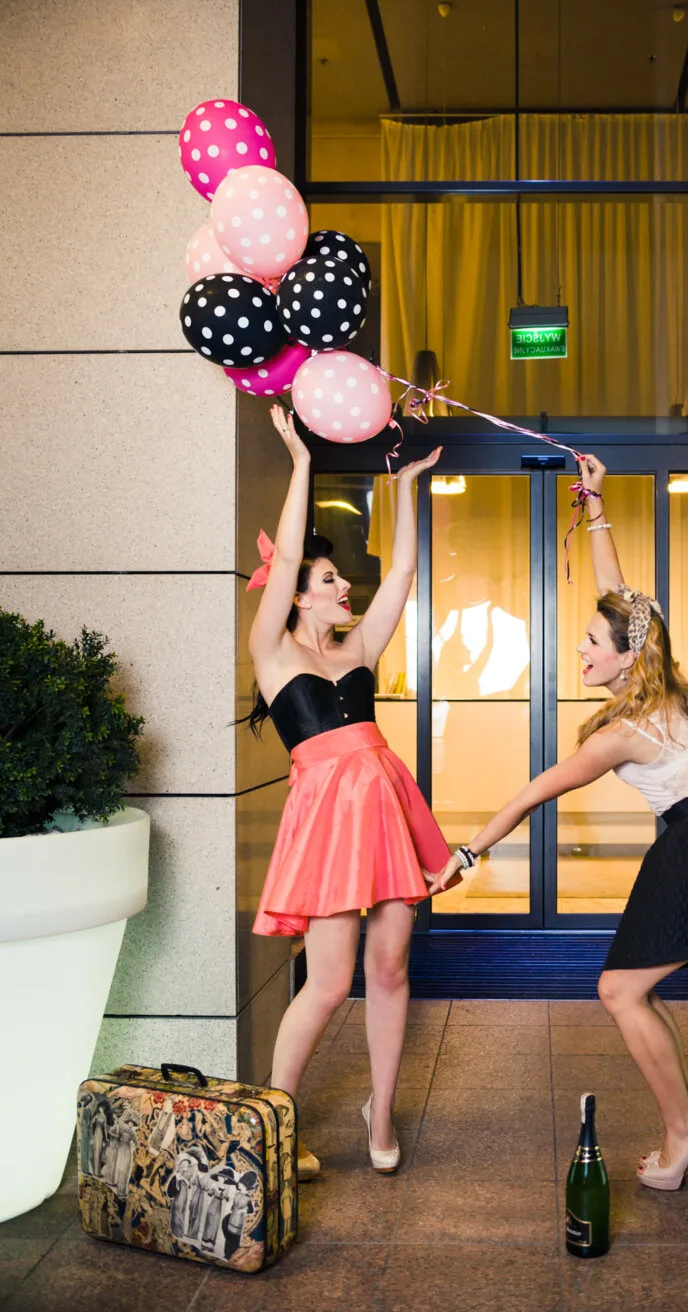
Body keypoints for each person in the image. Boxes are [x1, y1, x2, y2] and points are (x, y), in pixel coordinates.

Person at [431, 453, 688, 1192]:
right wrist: (598, 506)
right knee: (631, 990)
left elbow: (531, 794)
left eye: (592, 642)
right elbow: (621, 594)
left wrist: (466, 852)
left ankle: (686, 1128)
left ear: (625, 658)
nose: (581, 648)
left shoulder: (623, 732)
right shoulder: (661, 687)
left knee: (619, 991)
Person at [245, 403, 453, 1178]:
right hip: (330, 819)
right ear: (297, 596)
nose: (343, 587)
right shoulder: (271, 651)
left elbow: (402, 572)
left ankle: (382, 1113)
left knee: (391, 966)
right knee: (328, 982)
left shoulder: (360, 645)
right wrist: (301, 462)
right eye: (329, 580)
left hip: (387, 805)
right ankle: (270, 1123)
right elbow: (293, 546)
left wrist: (404, 487)